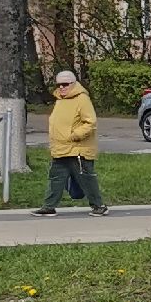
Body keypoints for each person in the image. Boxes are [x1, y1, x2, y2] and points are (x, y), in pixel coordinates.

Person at [35, 70, 108, 217]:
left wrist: (75, 136)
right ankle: (49, 206)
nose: (62, 87)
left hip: (78, 149)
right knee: (55, 178)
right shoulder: (60, 100)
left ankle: (99, 206)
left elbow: (90, 122)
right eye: (59, 84)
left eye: (65, 84)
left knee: (86, 178)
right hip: (61, 148)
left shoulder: (82, 99)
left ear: (73, 84)